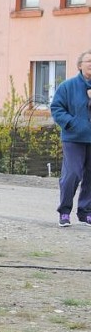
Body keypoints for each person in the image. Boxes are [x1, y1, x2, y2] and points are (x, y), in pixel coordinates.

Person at [50, 49, 91, 227]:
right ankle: (64, 212)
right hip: (74, 138)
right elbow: (57, 109)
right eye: (89, 61)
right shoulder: (68, 86)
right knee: (72, 174)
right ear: (80, 65)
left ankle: (86, 212)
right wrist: (72, 123)